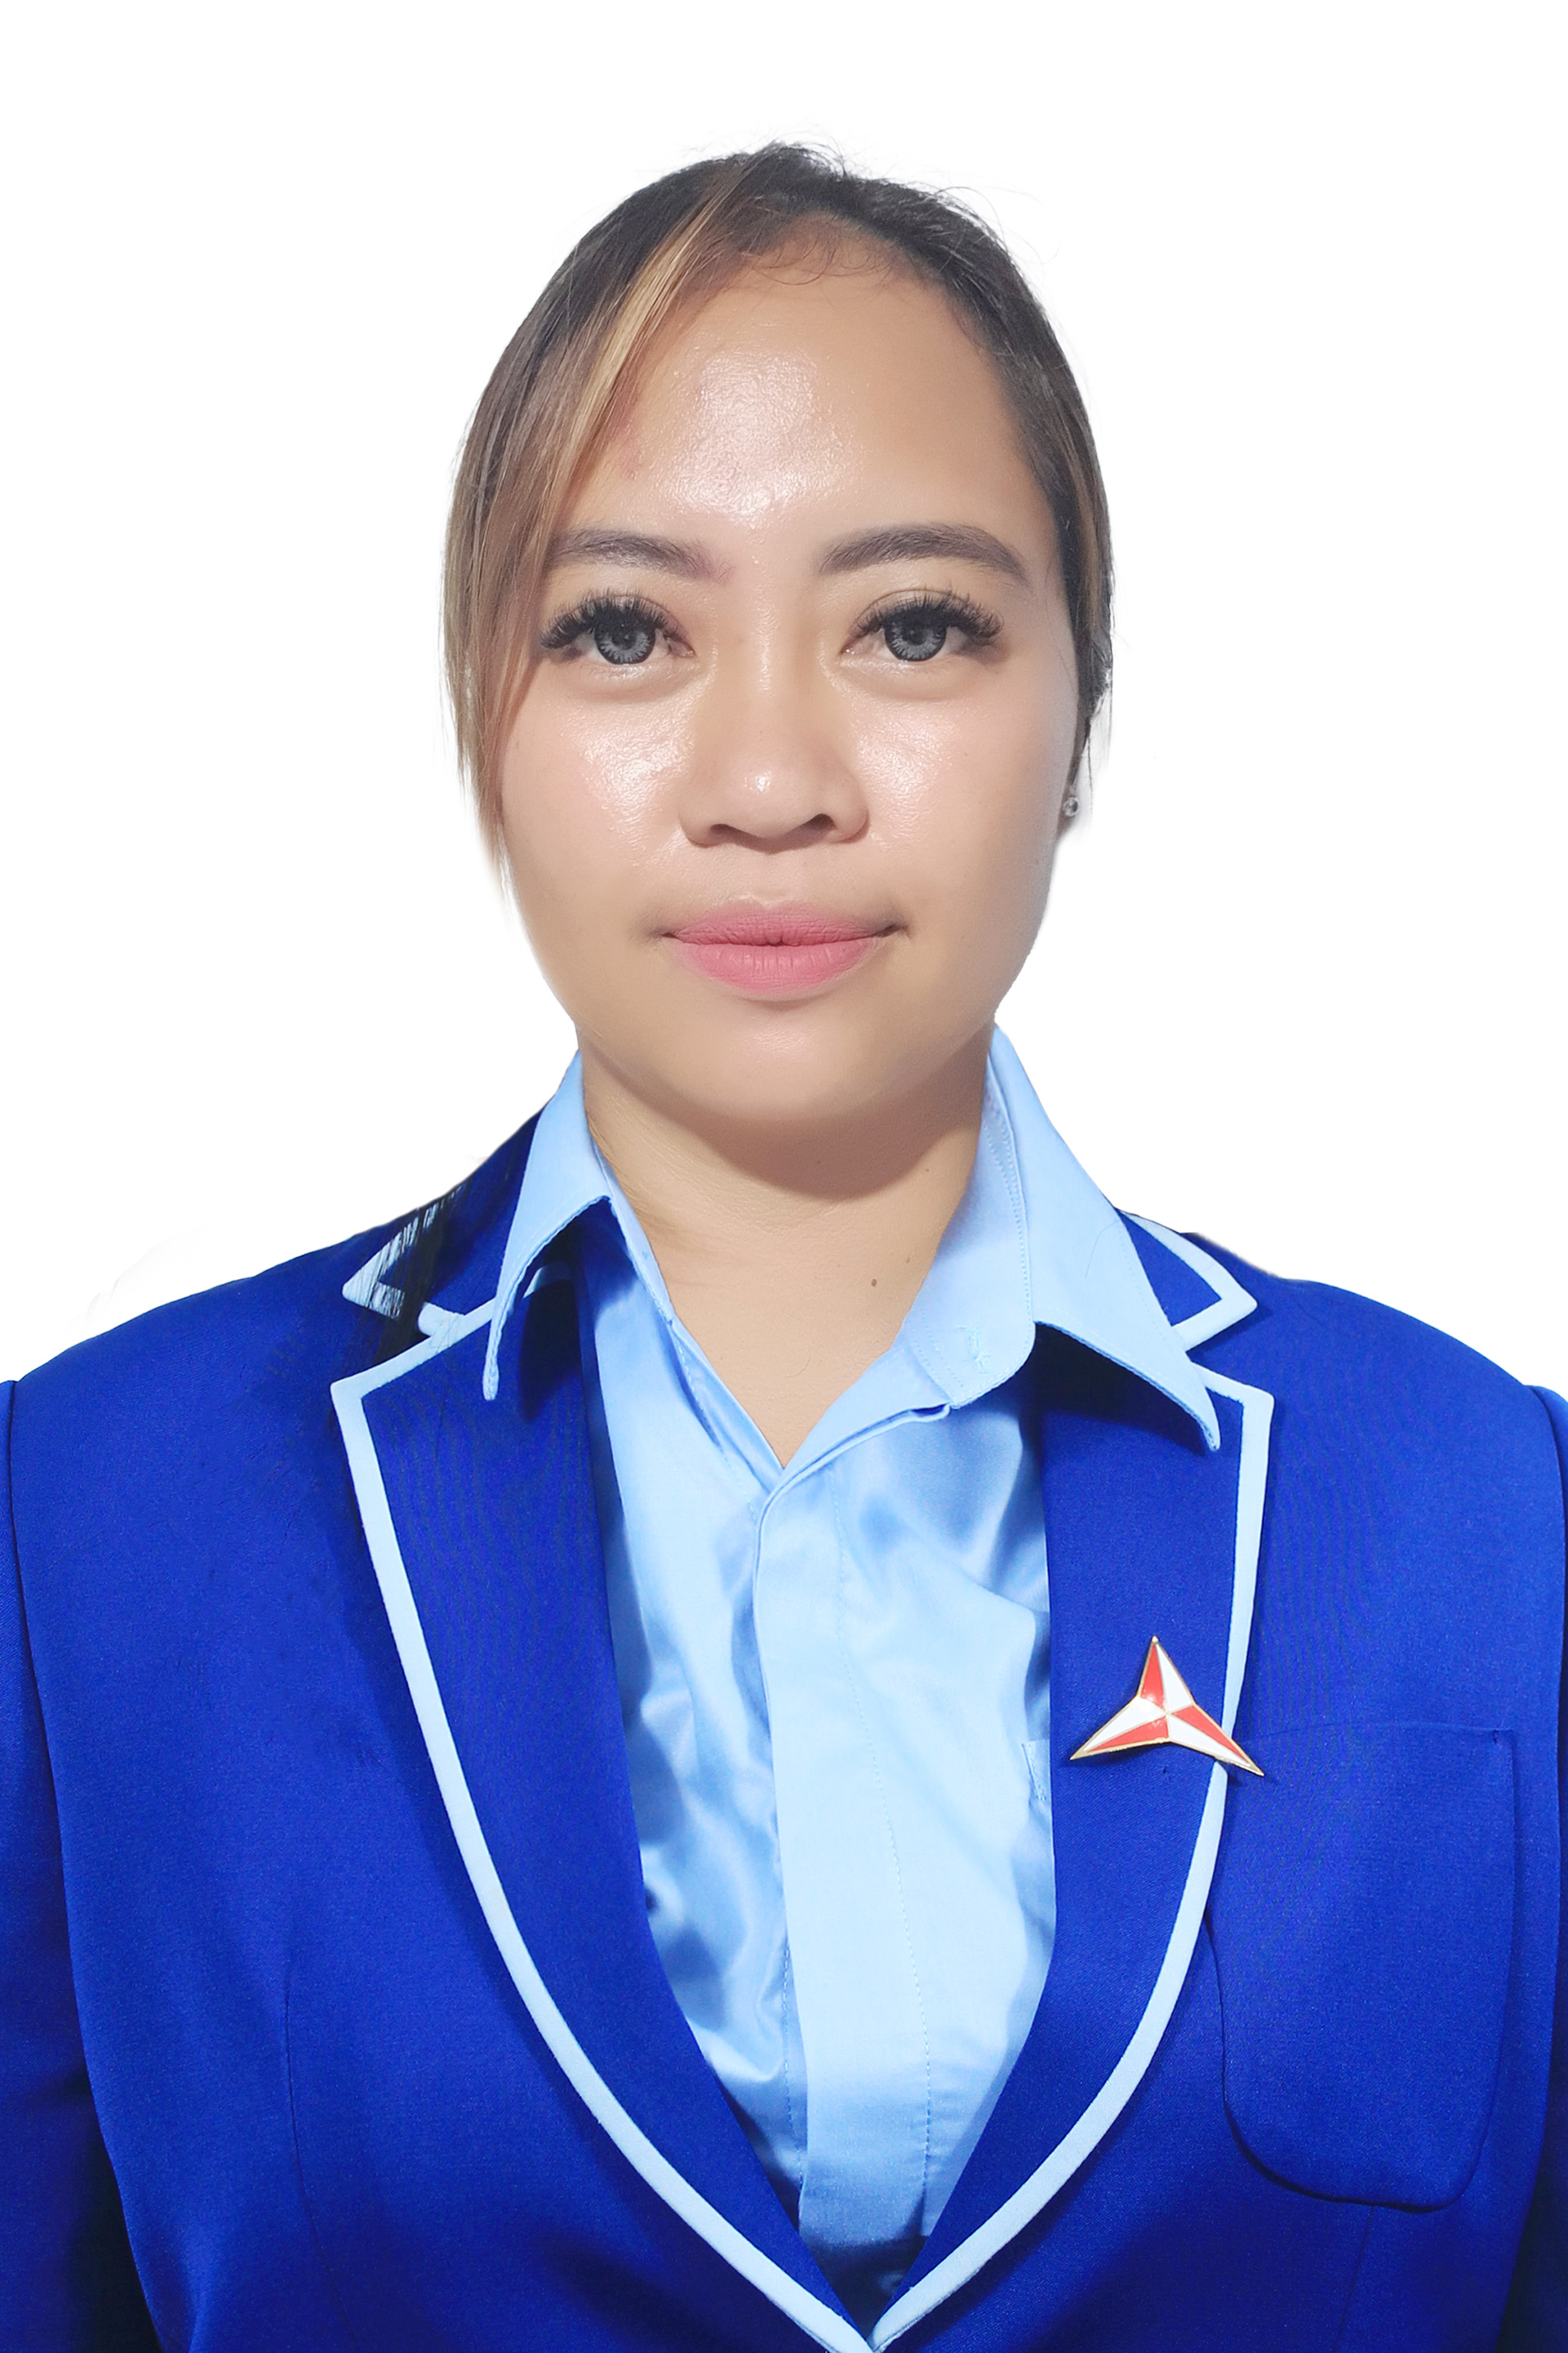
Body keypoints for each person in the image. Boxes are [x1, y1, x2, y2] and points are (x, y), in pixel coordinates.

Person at [1, 144, 1563, 2353]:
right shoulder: (89, 1511)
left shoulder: (1487, 1512)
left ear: (1081, 711)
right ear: (484, 714)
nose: (767, 776)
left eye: (913, 625)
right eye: (624, 630)